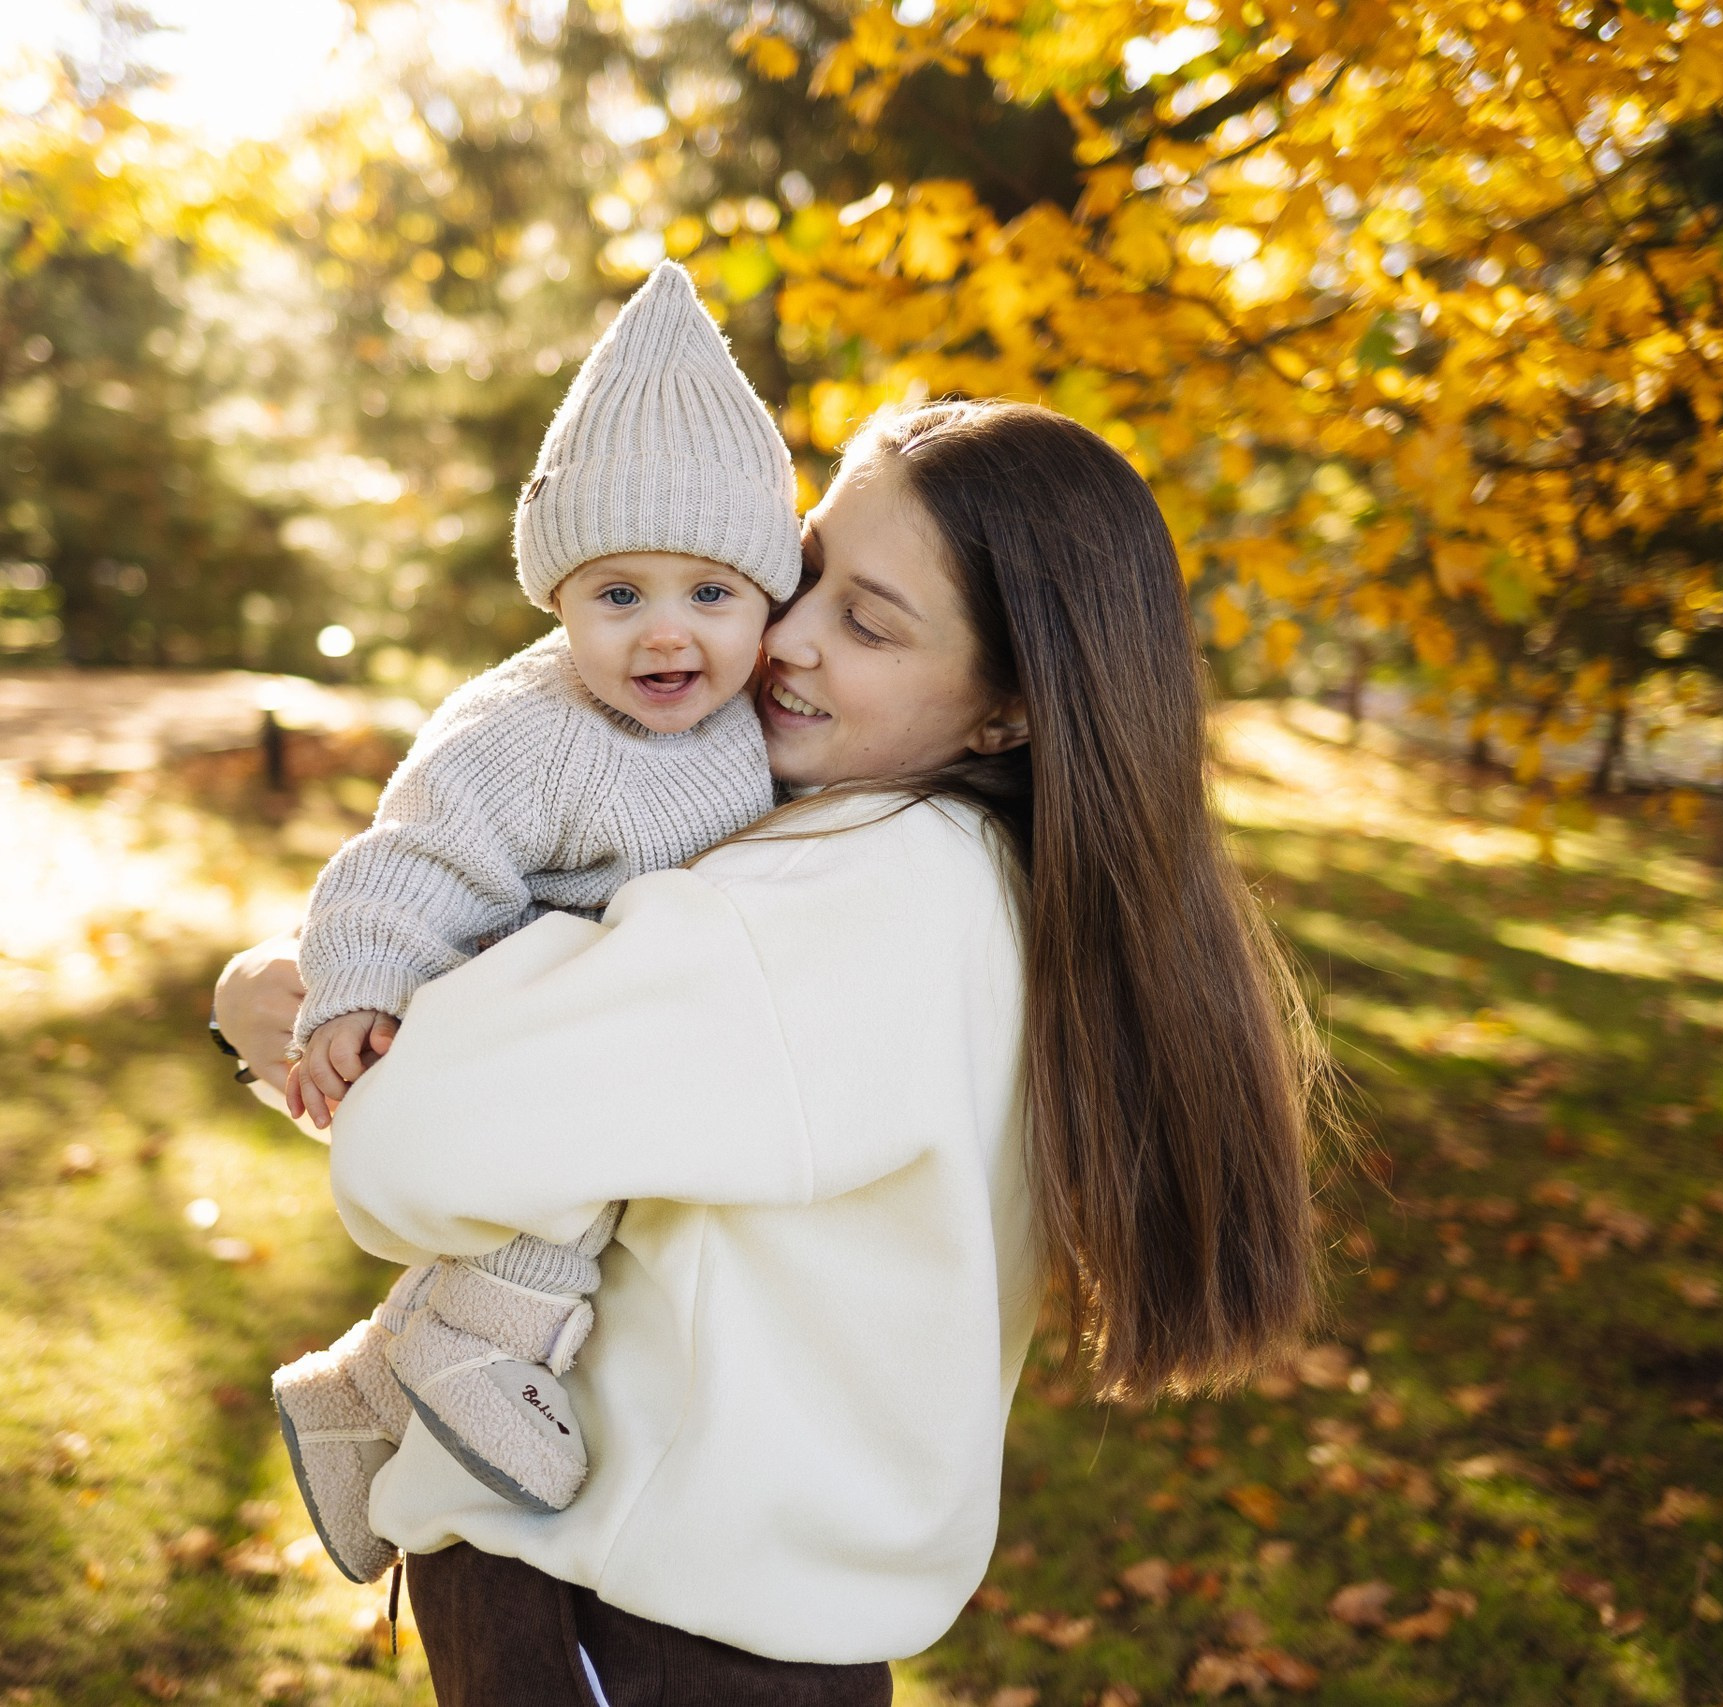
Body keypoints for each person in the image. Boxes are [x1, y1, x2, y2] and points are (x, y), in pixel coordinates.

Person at [218, 399, 1322, 1705]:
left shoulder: (841, 904)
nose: (784, 637)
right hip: (746, 1626)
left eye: (868, 620)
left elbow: (419, 1149)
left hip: (626, 1618)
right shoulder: (1001, 881)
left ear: (1008, 710)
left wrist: (280, 1010)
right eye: (802, 572)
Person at [270, 259, 804, 1582]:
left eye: (711, 592)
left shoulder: (762, 718)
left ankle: (356, 1401)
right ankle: (479, 1345)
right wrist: (356, 984)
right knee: (578, 1140)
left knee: (620, 1114)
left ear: (767, 600)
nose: (663, 634)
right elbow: (412, 858)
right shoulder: (531, 733)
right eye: (618, 594)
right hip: (516, 991)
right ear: (556, 599)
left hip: (634, 993)